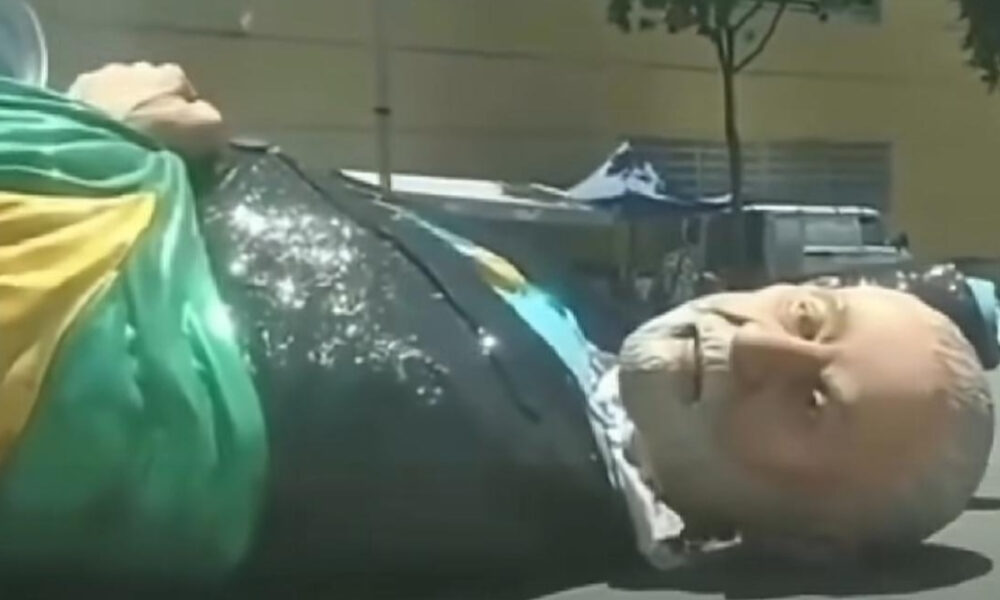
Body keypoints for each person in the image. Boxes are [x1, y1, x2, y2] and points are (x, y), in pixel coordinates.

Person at [0, 6, 995, 588]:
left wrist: (86, 139)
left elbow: (79, 404)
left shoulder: (448, 478)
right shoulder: (587, 381)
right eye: (810, 316)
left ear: (802, 540)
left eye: (813, 403)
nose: (759, 347)